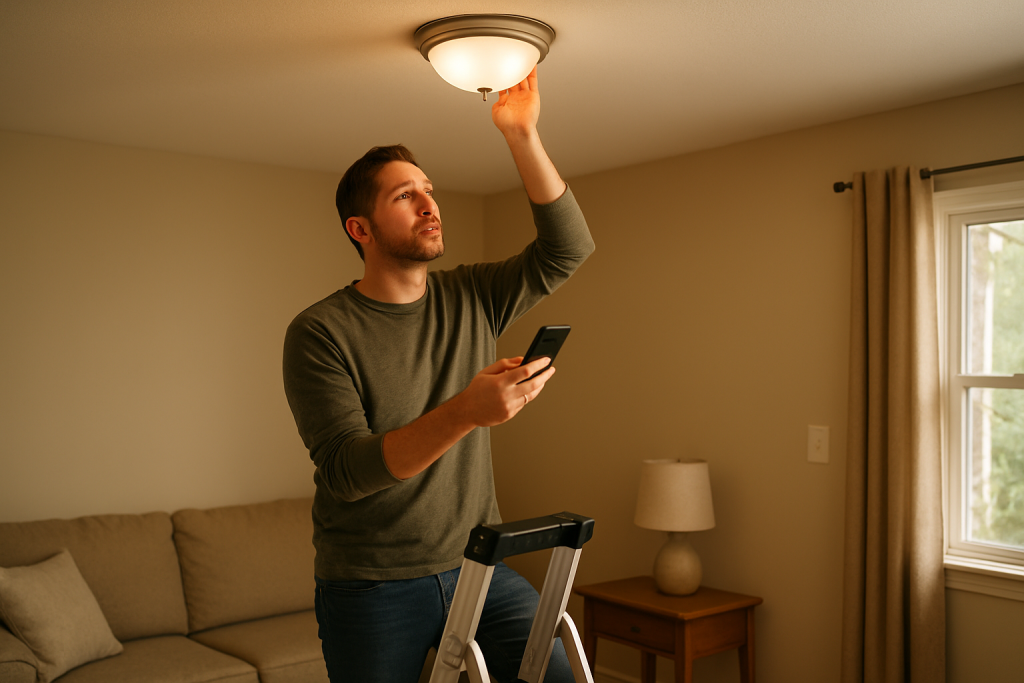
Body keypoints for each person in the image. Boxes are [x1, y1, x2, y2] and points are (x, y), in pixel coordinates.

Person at [282, 67, 594, 683]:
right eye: (405, 196)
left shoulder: (471, 295)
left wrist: (521, 134)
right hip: (370, 585)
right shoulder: (320, 331)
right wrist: (466, 412)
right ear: (360, 230)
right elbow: (347, 472)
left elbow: (568, 248)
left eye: (428, 190)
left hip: (480, 565)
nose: (431, 205)